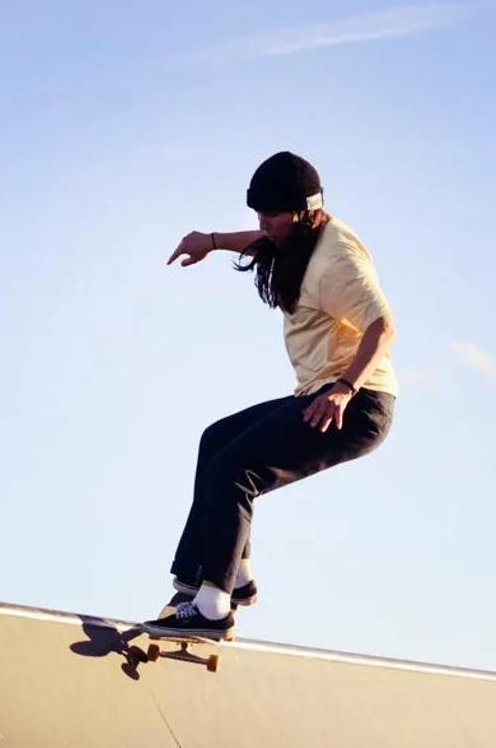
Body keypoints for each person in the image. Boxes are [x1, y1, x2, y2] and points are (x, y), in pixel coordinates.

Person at [145, 151, 398, 641]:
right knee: (217, 440)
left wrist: (346, 388)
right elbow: (266, 240)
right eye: (258, 214)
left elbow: (383, 326)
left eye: (273, 216)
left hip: (356, 403)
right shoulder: (296, 236)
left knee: (236, 470)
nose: (264, 225)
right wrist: (213, 242)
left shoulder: (337, 260)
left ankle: (213, 607)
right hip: (318, 392)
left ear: (304, 212)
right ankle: (234, 579)